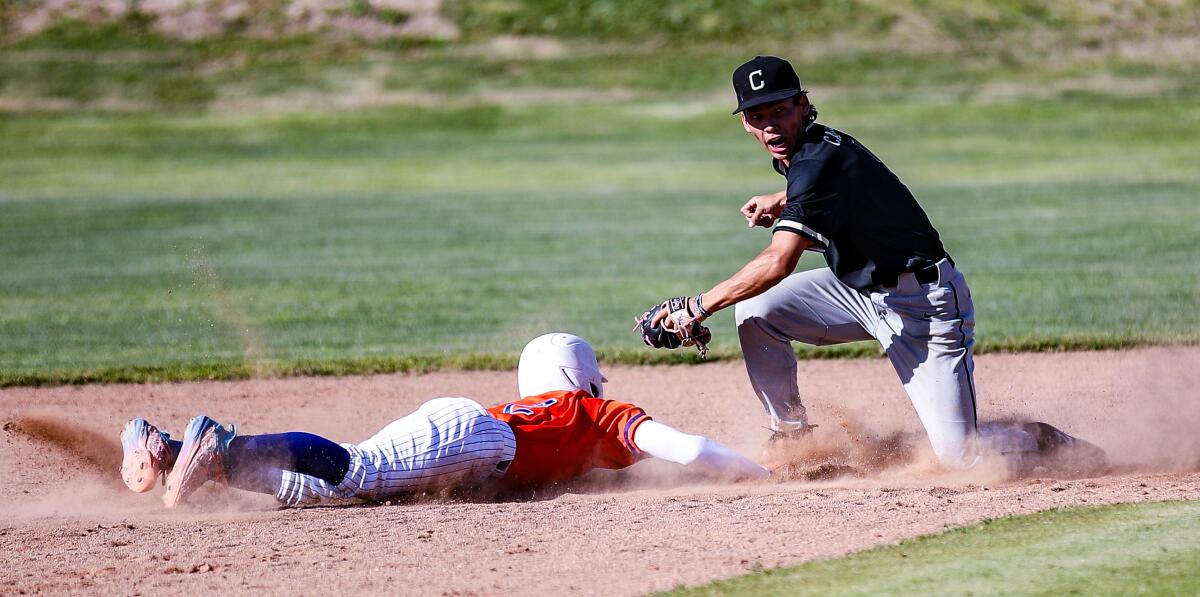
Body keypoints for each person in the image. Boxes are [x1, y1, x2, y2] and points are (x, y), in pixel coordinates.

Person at [636, 56, 1103, 472]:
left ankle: (1040, 438)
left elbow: (778, 262)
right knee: (757, 313)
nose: (771, 126)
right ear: (745, 124)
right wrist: (783, 200)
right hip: (859, 293)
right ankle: (793, 433)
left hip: (924, 305)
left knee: (962, 460)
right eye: (758, 116)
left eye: (780, 110)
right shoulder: (811, 150)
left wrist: (696, 307)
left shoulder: (814, 162)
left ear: (802, 104)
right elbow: (847, 189)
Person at [119, 333, 768, 508]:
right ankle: (222, 445)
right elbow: (684, 448)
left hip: (467, 431)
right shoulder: (593, 409)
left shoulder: (552, 412)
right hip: (476, 438)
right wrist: (759, 475)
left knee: (320, 490)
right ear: (583, 377)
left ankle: (177, 452)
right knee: (355, 469)